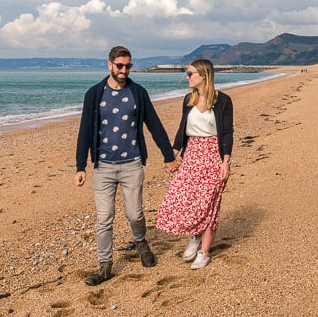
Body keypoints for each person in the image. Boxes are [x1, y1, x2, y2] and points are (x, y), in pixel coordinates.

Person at [75, 45, 177, 286]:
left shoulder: (138, 92)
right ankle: (105, 265)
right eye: (119, 65)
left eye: (128, 66)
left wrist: (168, 155)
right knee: (105, 218)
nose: (124, 70)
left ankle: (141, 242)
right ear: (109, 64)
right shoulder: (94, 94)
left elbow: (154, 124)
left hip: (132, 164)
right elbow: (84, 132)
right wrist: (81, 166)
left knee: (134, 214)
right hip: (103, 166)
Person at [155, 58, 233, 269]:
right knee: (184, 199)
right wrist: (172, 152)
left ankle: (204, 252)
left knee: (210, 205)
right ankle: (194, 236)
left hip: (212, 157)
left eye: (190, 73)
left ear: (204, 76)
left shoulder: (223, 100)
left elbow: (227, 133)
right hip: (191, 157)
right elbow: (182, 128)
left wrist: (226, 161)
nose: (187, 77)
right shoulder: (188, 99)